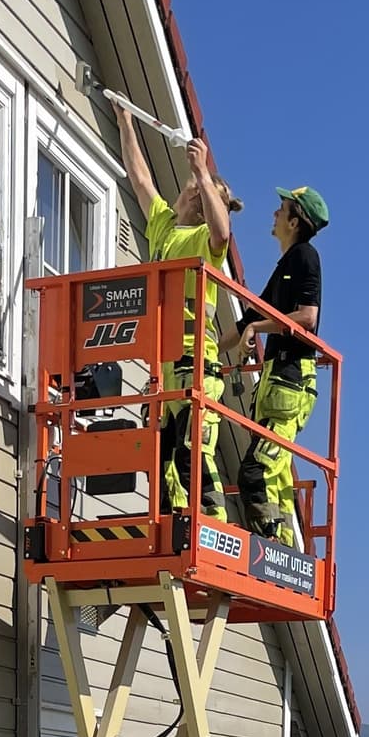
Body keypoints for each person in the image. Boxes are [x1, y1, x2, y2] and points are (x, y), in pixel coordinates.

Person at [113, 107, 242, 520]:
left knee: (192, 455)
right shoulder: (166, 228)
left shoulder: (205, 239)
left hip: (194, 364)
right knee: (162, 461)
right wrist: (125, 123)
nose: (186, 190)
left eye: (193, 189)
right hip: (164, 367)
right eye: (190, 186)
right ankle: (173, 528)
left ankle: (212, 530)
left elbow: (224, 232)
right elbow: (140, 179)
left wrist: (205, 174)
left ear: (201, 204)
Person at [224, 186, 330, 543]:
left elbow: (307, 317)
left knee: (256, 472)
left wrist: (255, 328)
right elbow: (247, 320)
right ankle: (287, 549)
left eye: (280, 209)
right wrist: (202, 347)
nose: (273, 215)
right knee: (278, 478)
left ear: (295, 221)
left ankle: (269, 548)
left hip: (291, 379)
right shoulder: (286, 264)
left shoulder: (305, 256)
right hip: (277, 381)